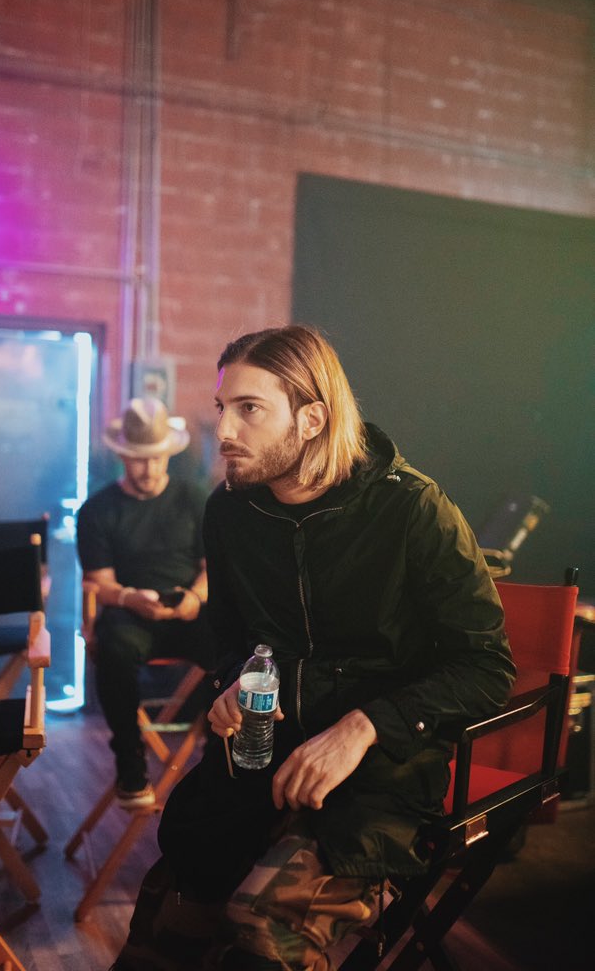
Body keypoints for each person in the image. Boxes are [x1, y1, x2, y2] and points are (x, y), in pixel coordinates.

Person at [111, 326, 516, 970]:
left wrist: (363, 727)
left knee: (260, 932)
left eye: (249, 408)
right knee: (168, 926)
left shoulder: (412, 508)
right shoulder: (229, 511)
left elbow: (486, 665)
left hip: (379, 773)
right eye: (222, 407)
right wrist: (231, 684)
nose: (224, 430)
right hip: (260, 758)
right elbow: (232, 642)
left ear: (312, 419)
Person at [77, 396, 216, 809]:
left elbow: (212, 569)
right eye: (139, 459)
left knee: (234, 642)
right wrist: (129, 598)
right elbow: (98, 583)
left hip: (188, 610)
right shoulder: (97, 510)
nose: (150, 468)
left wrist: (194, 599)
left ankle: (218, 750)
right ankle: (130, 759)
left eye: (157, 458)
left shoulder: (194, 498)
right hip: (130, 615)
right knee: (114, 648)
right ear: (123, 456)